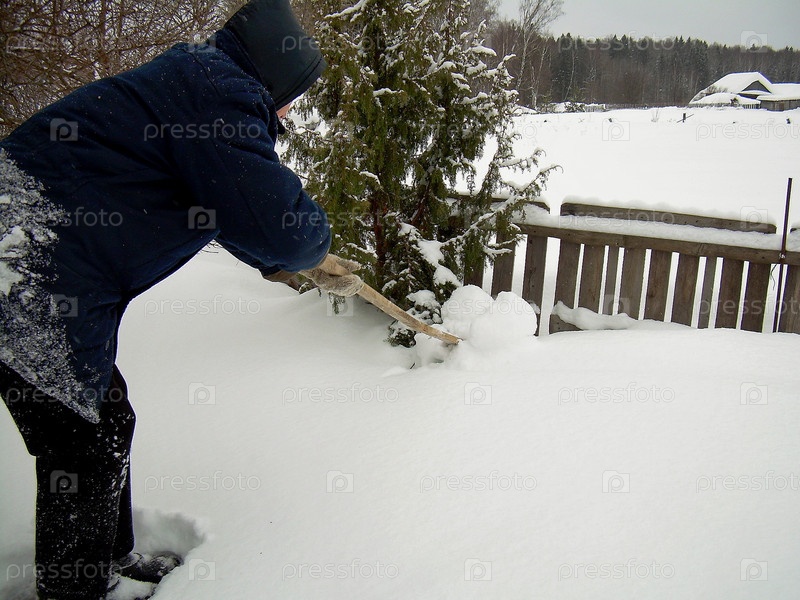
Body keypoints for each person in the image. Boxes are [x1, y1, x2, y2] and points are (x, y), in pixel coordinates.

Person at [0, 0, 363, 598]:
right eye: (293, 96)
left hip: (37, 254)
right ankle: (76, 591)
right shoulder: (219, 95)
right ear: (273, 74)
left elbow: (222, 206)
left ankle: (109, 563)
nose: (290, 111)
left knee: (102, 422)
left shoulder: (196, 81)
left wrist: (289, 263)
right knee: (82, 441)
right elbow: (275, 222)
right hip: (28, 263)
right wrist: (309, 251)